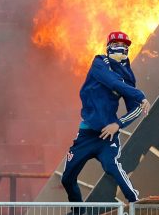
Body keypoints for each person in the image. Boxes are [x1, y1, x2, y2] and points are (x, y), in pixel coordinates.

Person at [61, 31, 151, 214]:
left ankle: (134, 200)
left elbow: (135, 109)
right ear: (109, 47)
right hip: (86, 135)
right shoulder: (100, 63)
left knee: (111, 166)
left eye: (126, 46)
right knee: (67, 178)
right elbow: (114, 83)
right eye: (119, 45)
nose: (124, 49)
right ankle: (78, 212)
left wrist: (118, 124)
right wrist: (140, 96)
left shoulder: (127, 76)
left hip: (107, 136)